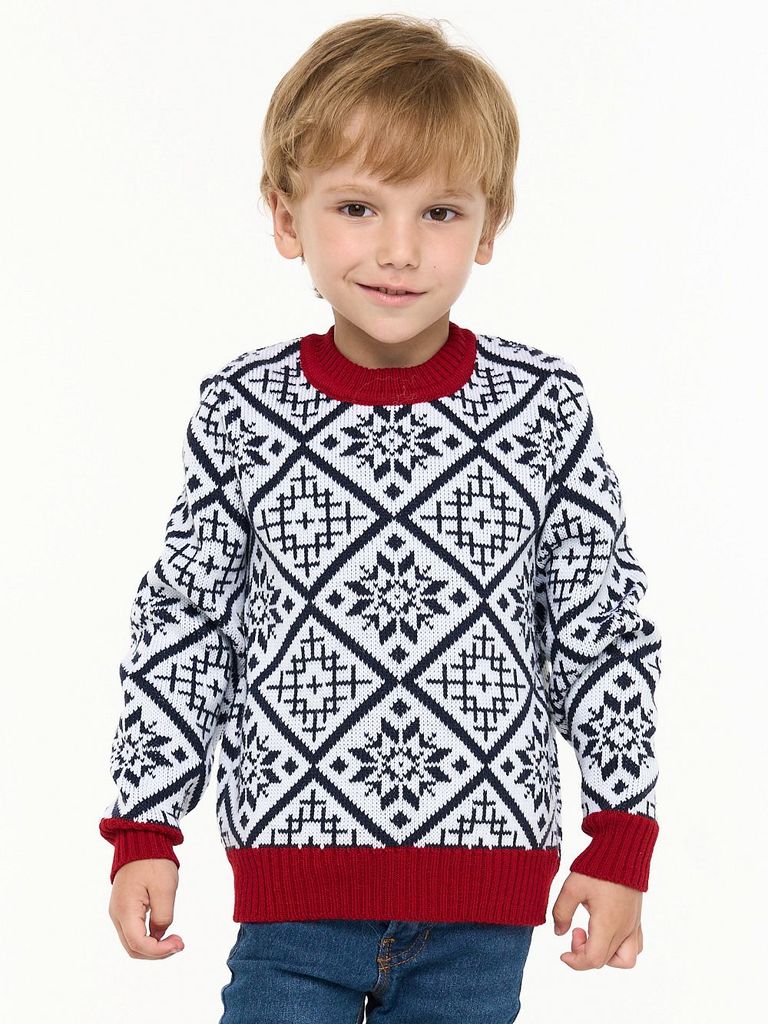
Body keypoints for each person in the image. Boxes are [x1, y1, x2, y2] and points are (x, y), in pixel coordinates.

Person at [99, 13, 662, 1022]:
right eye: (357, 207)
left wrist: (621, 834)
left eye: (439, 211)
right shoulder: (243, 412)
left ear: (488, 225)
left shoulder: (543, 410)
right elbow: (187, 623)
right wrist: (145, 828)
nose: (399, 250)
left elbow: (600, 627)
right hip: (293, 901)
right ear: (287, 219)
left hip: (484, 907)